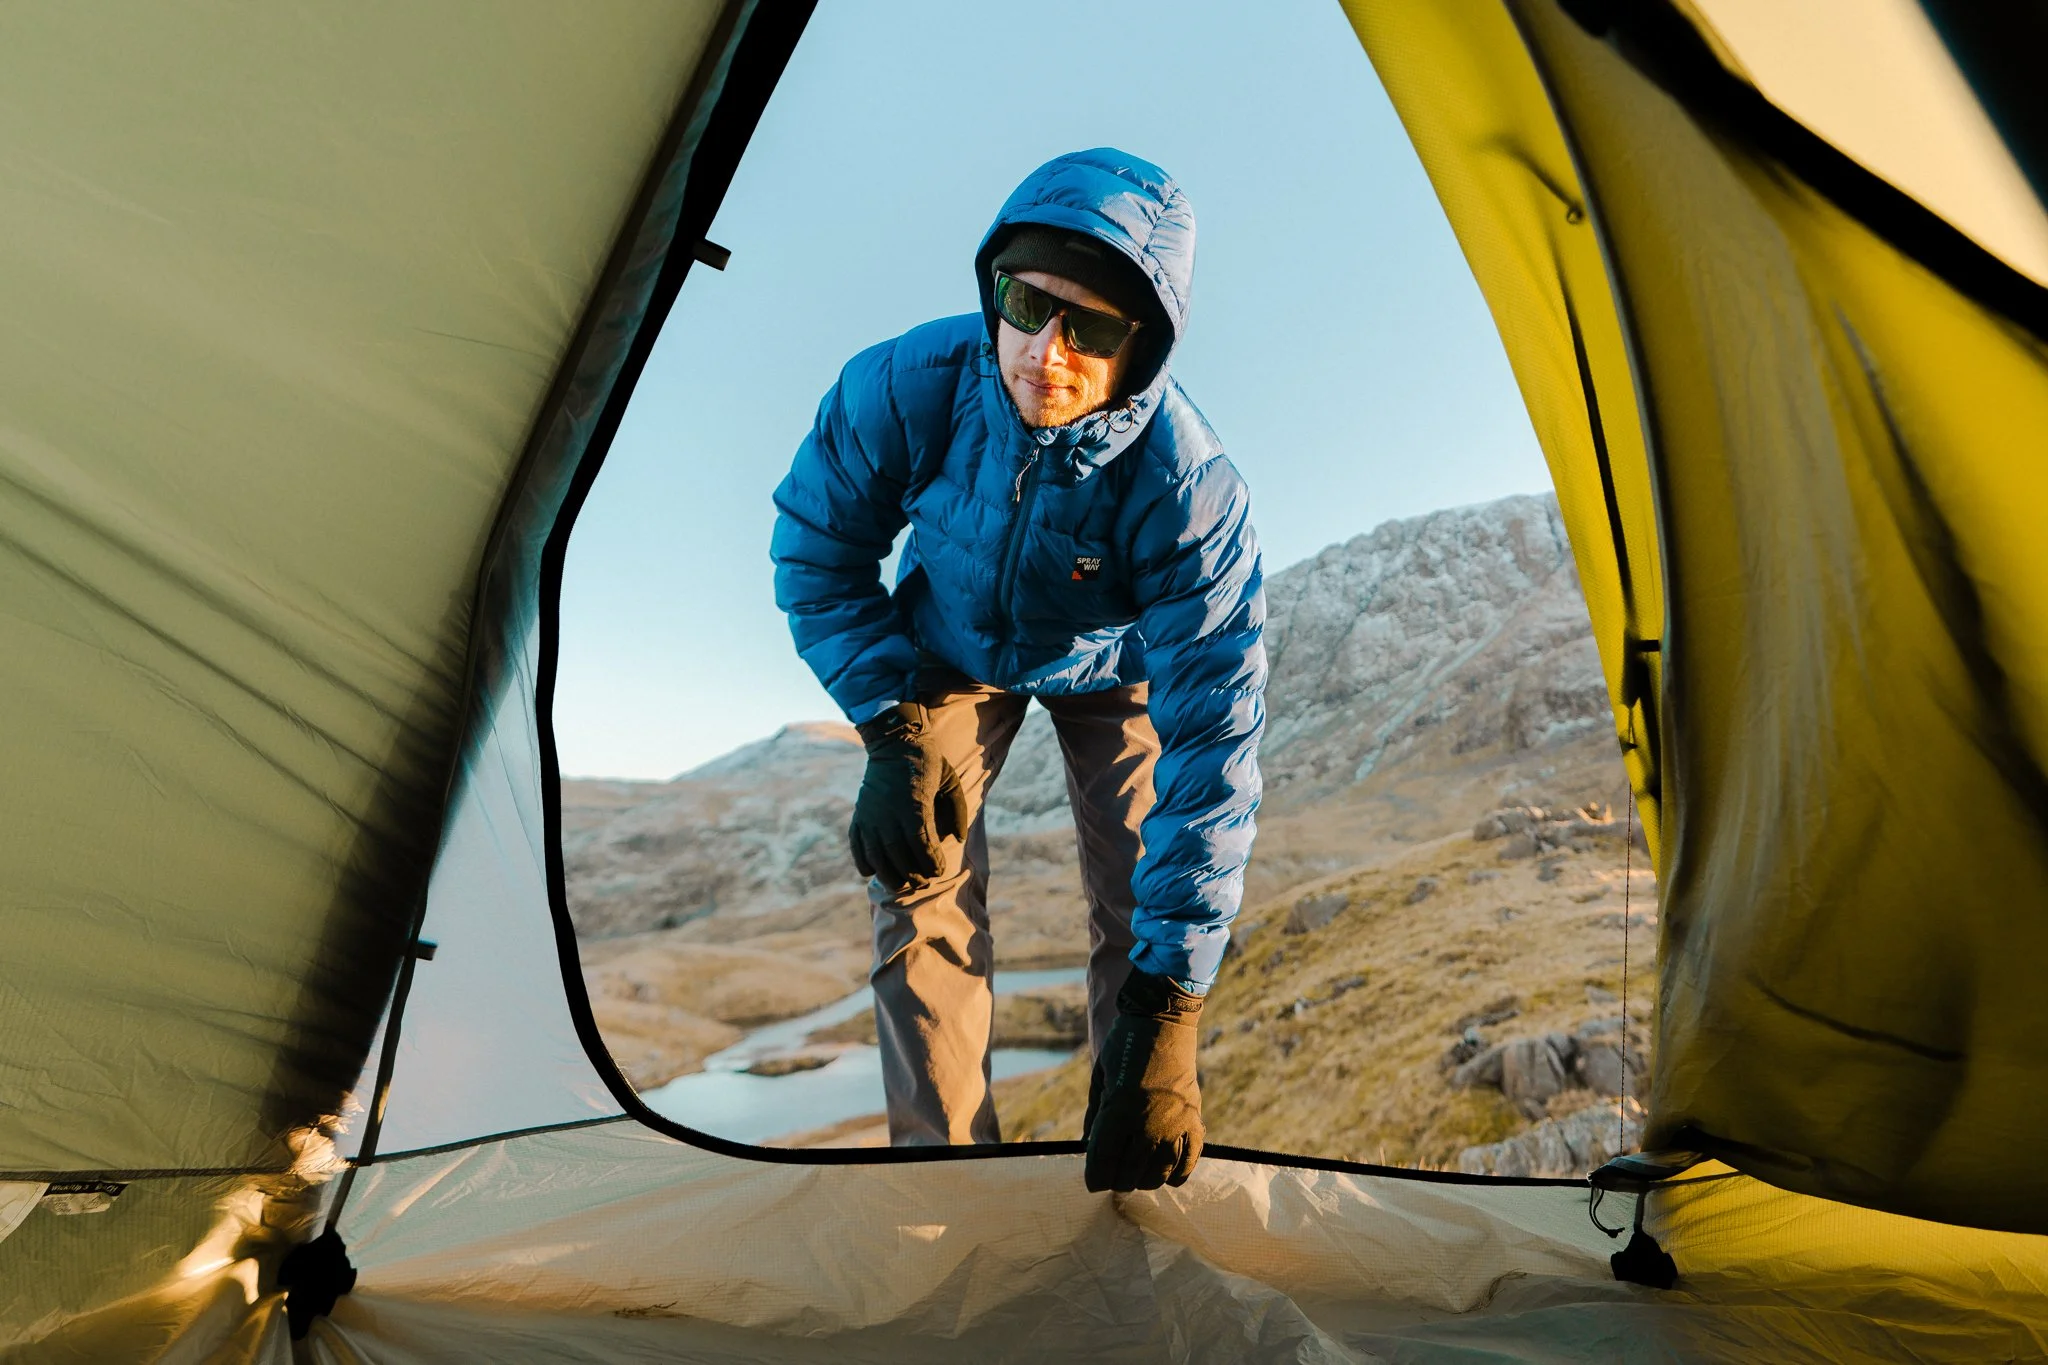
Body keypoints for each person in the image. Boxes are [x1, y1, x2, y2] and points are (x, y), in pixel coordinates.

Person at [771, 148, 1264, 1193]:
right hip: (945, 651)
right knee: (917, 878)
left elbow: (1213, 741)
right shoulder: (902, 387)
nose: (1046, 352)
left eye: (1089, 329)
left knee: (1140, 902)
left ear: (1142, 349)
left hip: (1112, 670)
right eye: (1026, 303)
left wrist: (1171, 1005)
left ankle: (1124, 1177)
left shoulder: (1189, 490)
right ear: (991, 288)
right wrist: (888, 726)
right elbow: (815, 549)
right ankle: (942, 1185)